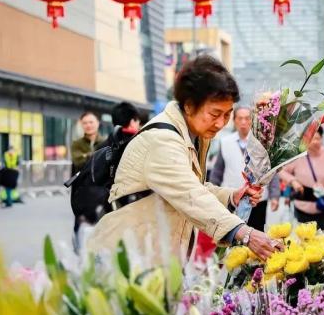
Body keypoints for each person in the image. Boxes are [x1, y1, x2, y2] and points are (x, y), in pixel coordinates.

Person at [88, 55, 282, 264]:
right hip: (122, 259)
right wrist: (245, 233)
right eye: (215, 113)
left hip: (151, 256)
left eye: (227, 115)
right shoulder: (162, 140)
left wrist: (231, 197)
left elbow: (192, 186)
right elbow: (189, 193)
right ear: (189, 106)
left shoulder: (192, 134)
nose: (221, 123)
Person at [210, 106, 281, 231]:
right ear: (234, 121)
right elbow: (217, 171)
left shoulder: (262, 141)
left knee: (256, 235)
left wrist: (274, 195)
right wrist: (212, 195)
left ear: (252, 120)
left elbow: (271, 171)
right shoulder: (225, 142)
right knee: (232, 236)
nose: (243, 122)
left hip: (257, 200)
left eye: (247, 118)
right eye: (240, 118)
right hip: (232, 198)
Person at [280, 125, 324, 231]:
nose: (315, 142)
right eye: (312, 139)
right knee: (306, 242)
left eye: (318, 138)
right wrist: (293, 181)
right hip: (303, 207)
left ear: (322, 138)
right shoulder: (298, 155)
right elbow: (282, 171)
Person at [71, 111, 104, 237]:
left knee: (101, 225)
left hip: (101, 190)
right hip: (82, 190)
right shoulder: (77, 144)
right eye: (85, 123)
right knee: (80, 225)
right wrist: (97, 156)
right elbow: (78, 161)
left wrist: (87, 156)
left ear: (97, 123)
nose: (88, 125)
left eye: (91, 122)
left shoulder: (105, 142)